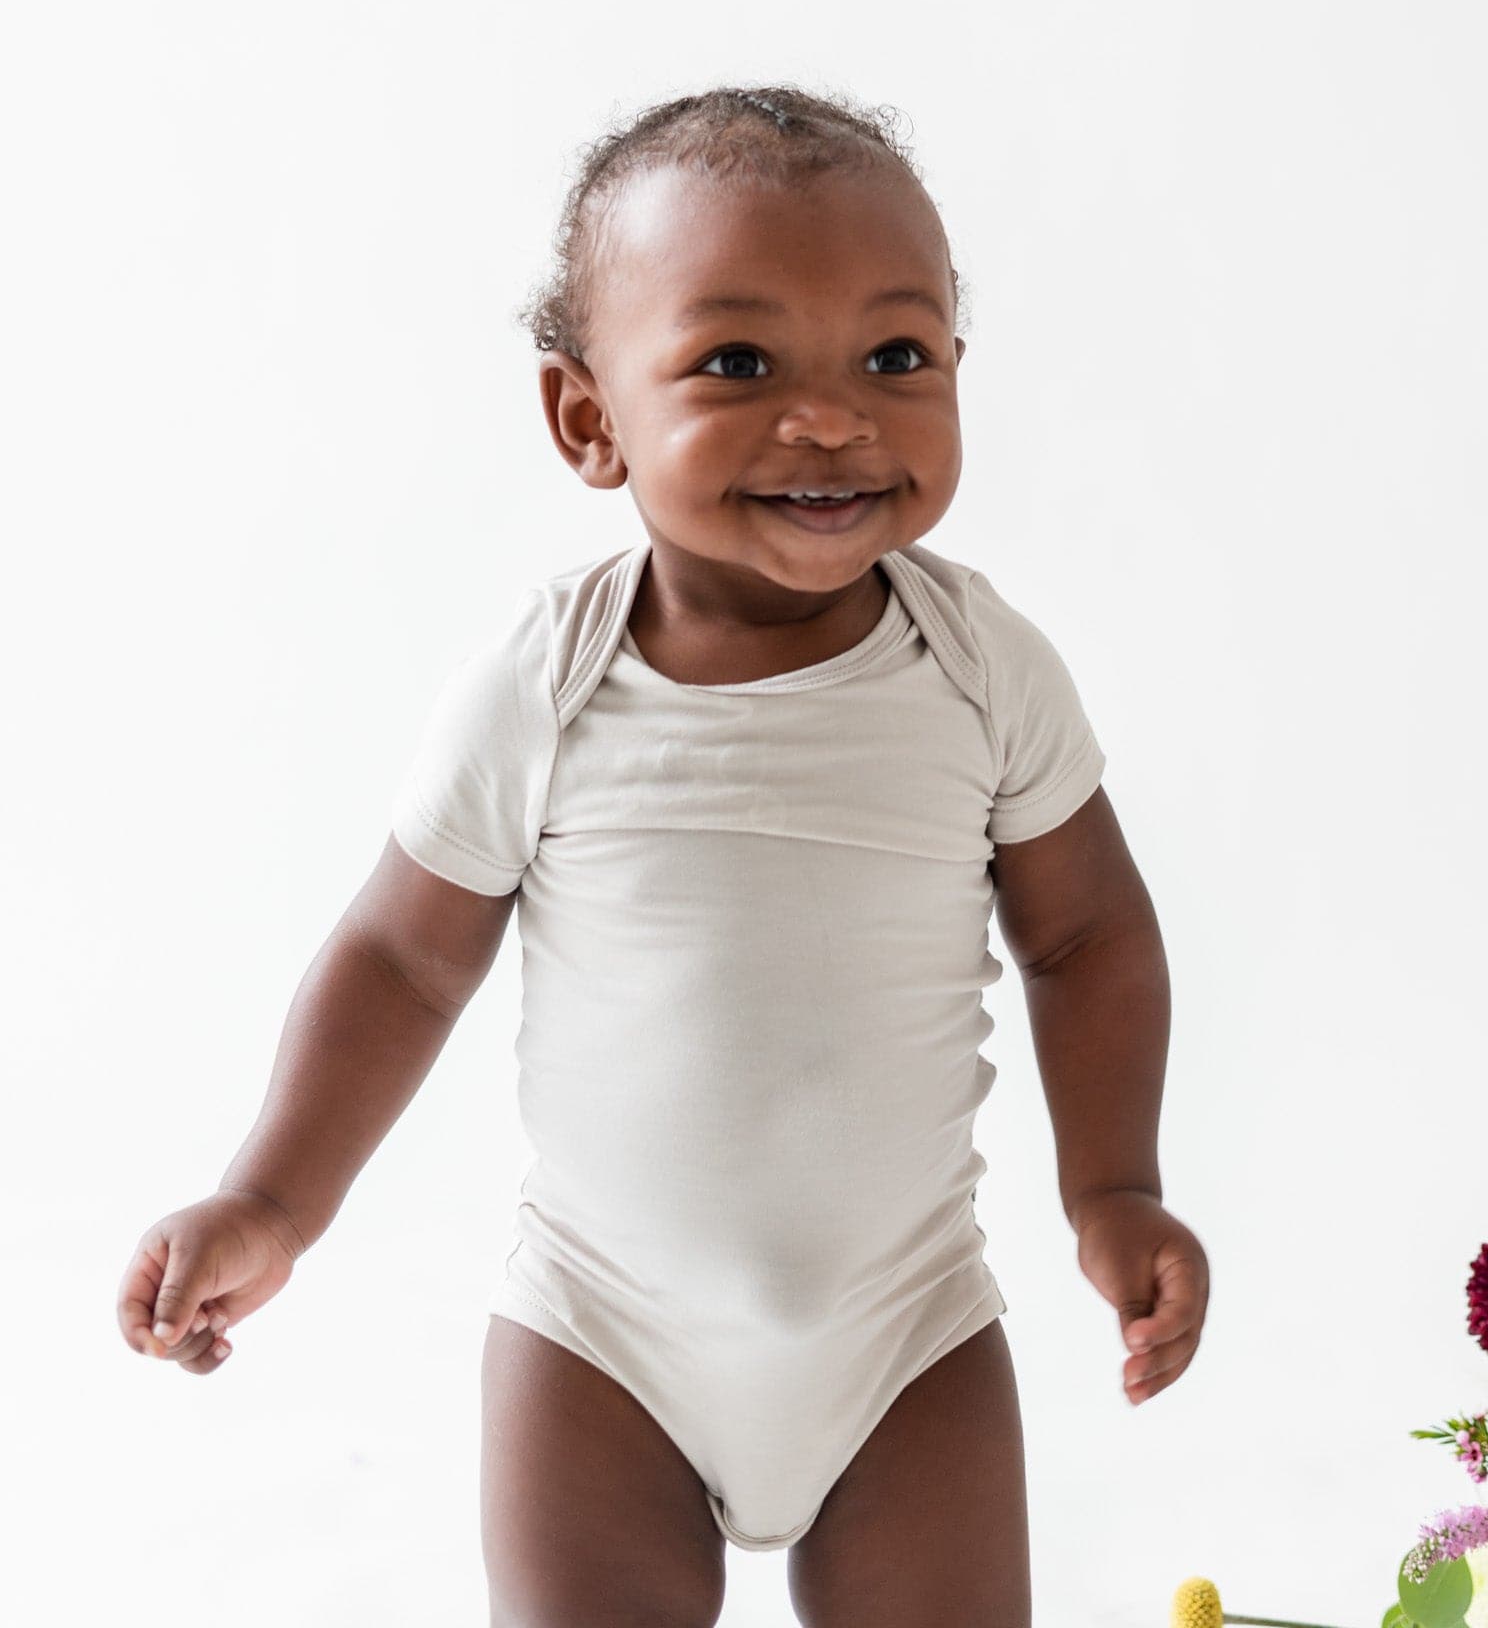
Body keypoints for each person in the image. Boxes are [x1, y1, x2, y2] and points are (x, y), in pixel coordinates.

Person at [115, 83, 1209, 1626]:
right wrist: (272, 1202)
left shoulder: (981, 668)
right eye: (738, 362)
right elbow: (403, 956)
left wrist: (1114, 1183)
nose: (830, 415)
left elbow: (1087, 934)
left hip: (906, 1337)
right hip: (601, 1341)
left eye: (895, 356)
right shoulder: (546, 682)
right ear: (588, 418)